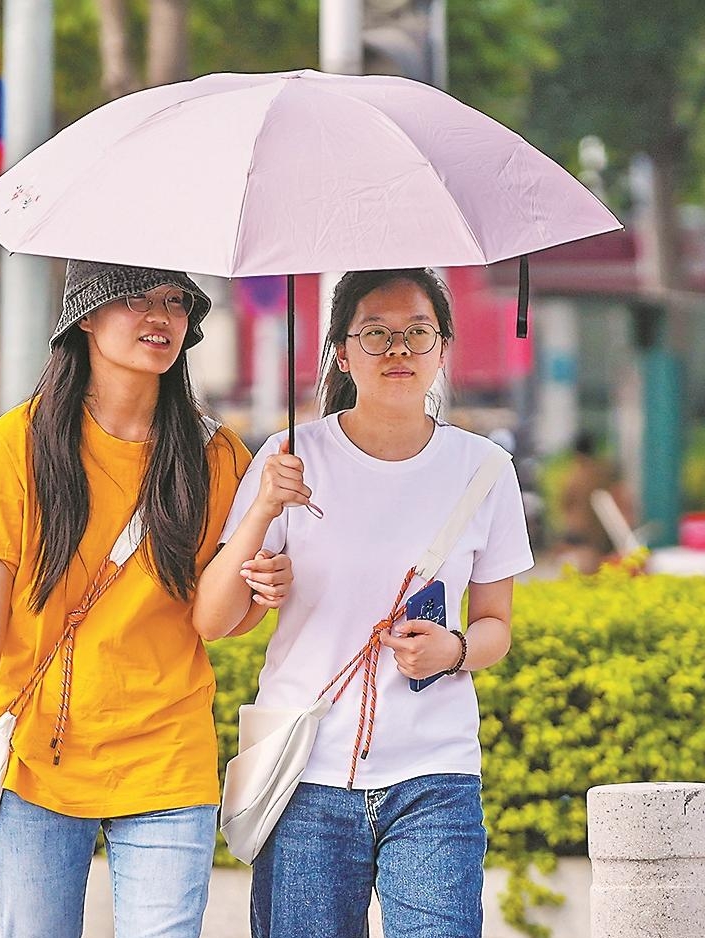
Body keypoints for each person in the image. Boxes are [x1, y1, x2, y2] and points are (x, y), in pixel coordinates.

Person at [0, 260, 289, 938]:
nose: (159, 317)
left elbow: (219, 620)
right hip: (39, 756)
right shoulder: (22, 442)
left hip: (167, 752)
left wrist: (264, 592)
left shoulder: (217, 455)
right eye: (133, 299)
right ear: (86, 316)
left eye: (175, 302)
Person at [197, 268, 533, 938]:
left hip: (435, 773)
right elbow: (211, 619)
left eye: (417, 333)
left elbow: (496, 626)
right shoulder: (290, 457)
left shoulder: (484, 469)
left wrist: (456, 649)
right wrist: (266, 504)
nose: (399, 351)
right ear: (342, 353)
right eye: (375, 335)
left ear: (444, 348)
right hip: (305, 772)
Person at [556, 431, 630, 573]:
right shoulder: (604, 472)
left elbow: (564, 504)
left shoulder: (572, 477)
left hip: (581, 534)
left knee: (584, 575)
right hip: (603, 533)